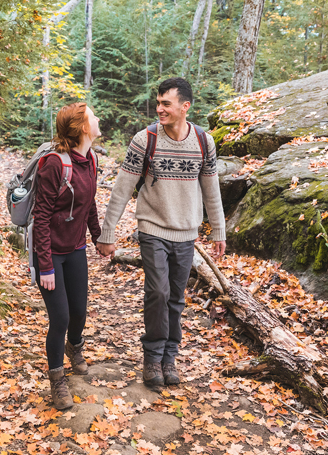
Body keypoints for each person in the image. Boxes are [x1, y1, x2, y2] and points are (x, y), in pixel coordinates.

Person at [96, 77, 226, 389]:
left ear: (185, 107)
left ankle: (169, 357)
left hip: (186, 232)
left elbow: (212, 191)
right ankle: (152, 357)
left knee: (176, 298)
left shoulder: (204, 142)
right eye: (158, 103)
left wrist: (219, 230)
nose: (159, 109)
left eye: (166, 103)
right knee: (158, 292)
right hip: (152, 227)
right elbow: (122, 188)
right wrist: (107, 232)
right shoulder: (145, 139)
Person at [32, 102, 102, 410]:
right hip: (49, 255)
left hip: (75, 249)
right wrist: (45, 266)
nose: (98, 119)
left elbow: (90, 204)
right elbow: (42, 216)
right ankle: (57, 380)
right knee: (59, 317)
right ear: (84, 128)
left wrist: (100, 238)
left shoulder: (91, 160)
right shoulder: (54, 165)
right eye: (93, 116)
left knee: (79, 313)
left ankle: (76, 346)